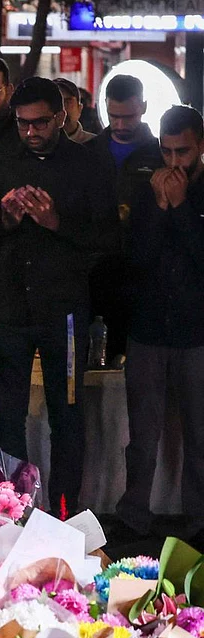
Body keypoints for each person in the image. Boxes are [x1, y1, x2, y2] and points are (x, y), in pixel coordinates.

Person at [0, 77, 119, 517]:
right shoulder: (3, 159)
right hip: (10, 309)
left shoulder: (88, 163)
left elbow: (108, 238)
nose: (31, 131)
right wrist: (5, 221)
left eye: (40, 122)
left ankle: (64, 513)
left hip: (64, 311)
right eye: (22, 123)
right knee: (7, 418)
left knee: (66, 415)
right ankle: (10, 512)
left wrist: (56, 222)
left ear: (61, 116)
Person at [116, 105, 204, 542]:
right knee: (142, 437)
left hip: (197, 332)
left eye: (182, 152)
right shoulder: (146, 186)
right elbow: (135, 259)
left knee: (199, 436)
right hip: (149, 329)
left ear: (200, 146)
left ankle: (199, 519)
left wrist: (181, 208)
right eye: (166, 151)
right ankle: (134, 516)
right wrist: (159, 207)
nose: (173, 162)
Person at [88, 74, 163, 362]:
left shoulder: (160, 155)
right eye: (114, 116)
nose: (120, 125)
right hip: (97, 271)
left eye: (128, 117)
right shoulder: (89, 153)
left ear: (143, 107)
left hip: (145, 273)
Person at [54, 77, 94, 144]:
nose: (63, 107)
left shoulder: (96, 144)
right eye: (56, 102)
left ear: (79, 109)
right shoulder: (37, 145)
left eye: (68, 102)